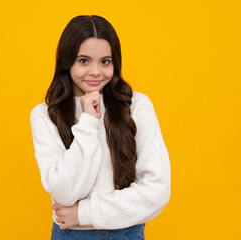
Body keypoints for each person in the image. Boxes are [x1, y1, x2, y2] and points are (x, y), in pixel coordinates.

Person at [30, 15, 171, 240]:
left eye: (105, 61)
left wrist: (84, 213)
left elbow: (157, 191)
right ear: (67, 62)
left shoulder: (136, 106)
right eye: (84, 60)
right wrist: (88, 121)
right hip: (70, 236)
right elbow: (65, 193)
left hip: (128, 234)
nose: (96, 71)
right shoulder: (45, 115)